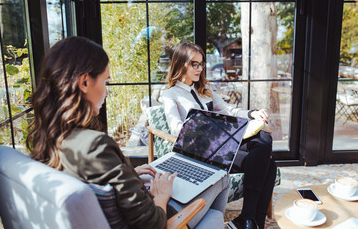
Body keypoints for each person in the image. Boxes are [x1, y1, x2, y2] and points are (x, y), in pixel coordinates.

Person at [26, 36, 229, 229]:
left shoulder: (49, 139)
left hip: (125, 212)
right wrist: (161, 195)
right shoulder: (94, 146)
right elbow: (153, 223)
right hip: (155, 218)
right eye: (106, 82)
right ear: (85, 82)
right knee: (221, 178)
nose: (107, 92)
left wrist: (129, 174)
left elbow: (102, 181)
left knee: (212, 216)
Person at [161, 42, 277, 229]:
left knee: (264, 139)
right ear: (182, 63)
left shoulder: (204, 88)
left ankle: (248, 219)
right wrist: (203, 125)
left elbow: (227, 110)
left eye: (202, 64)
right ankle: (252, 221)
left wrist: (252, 113)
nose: (200, 68)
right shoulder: (170, 94)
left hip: (222, 145)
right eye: (195, 64)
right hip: (201, 152)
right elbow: (175, 128)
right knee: (269, 165)